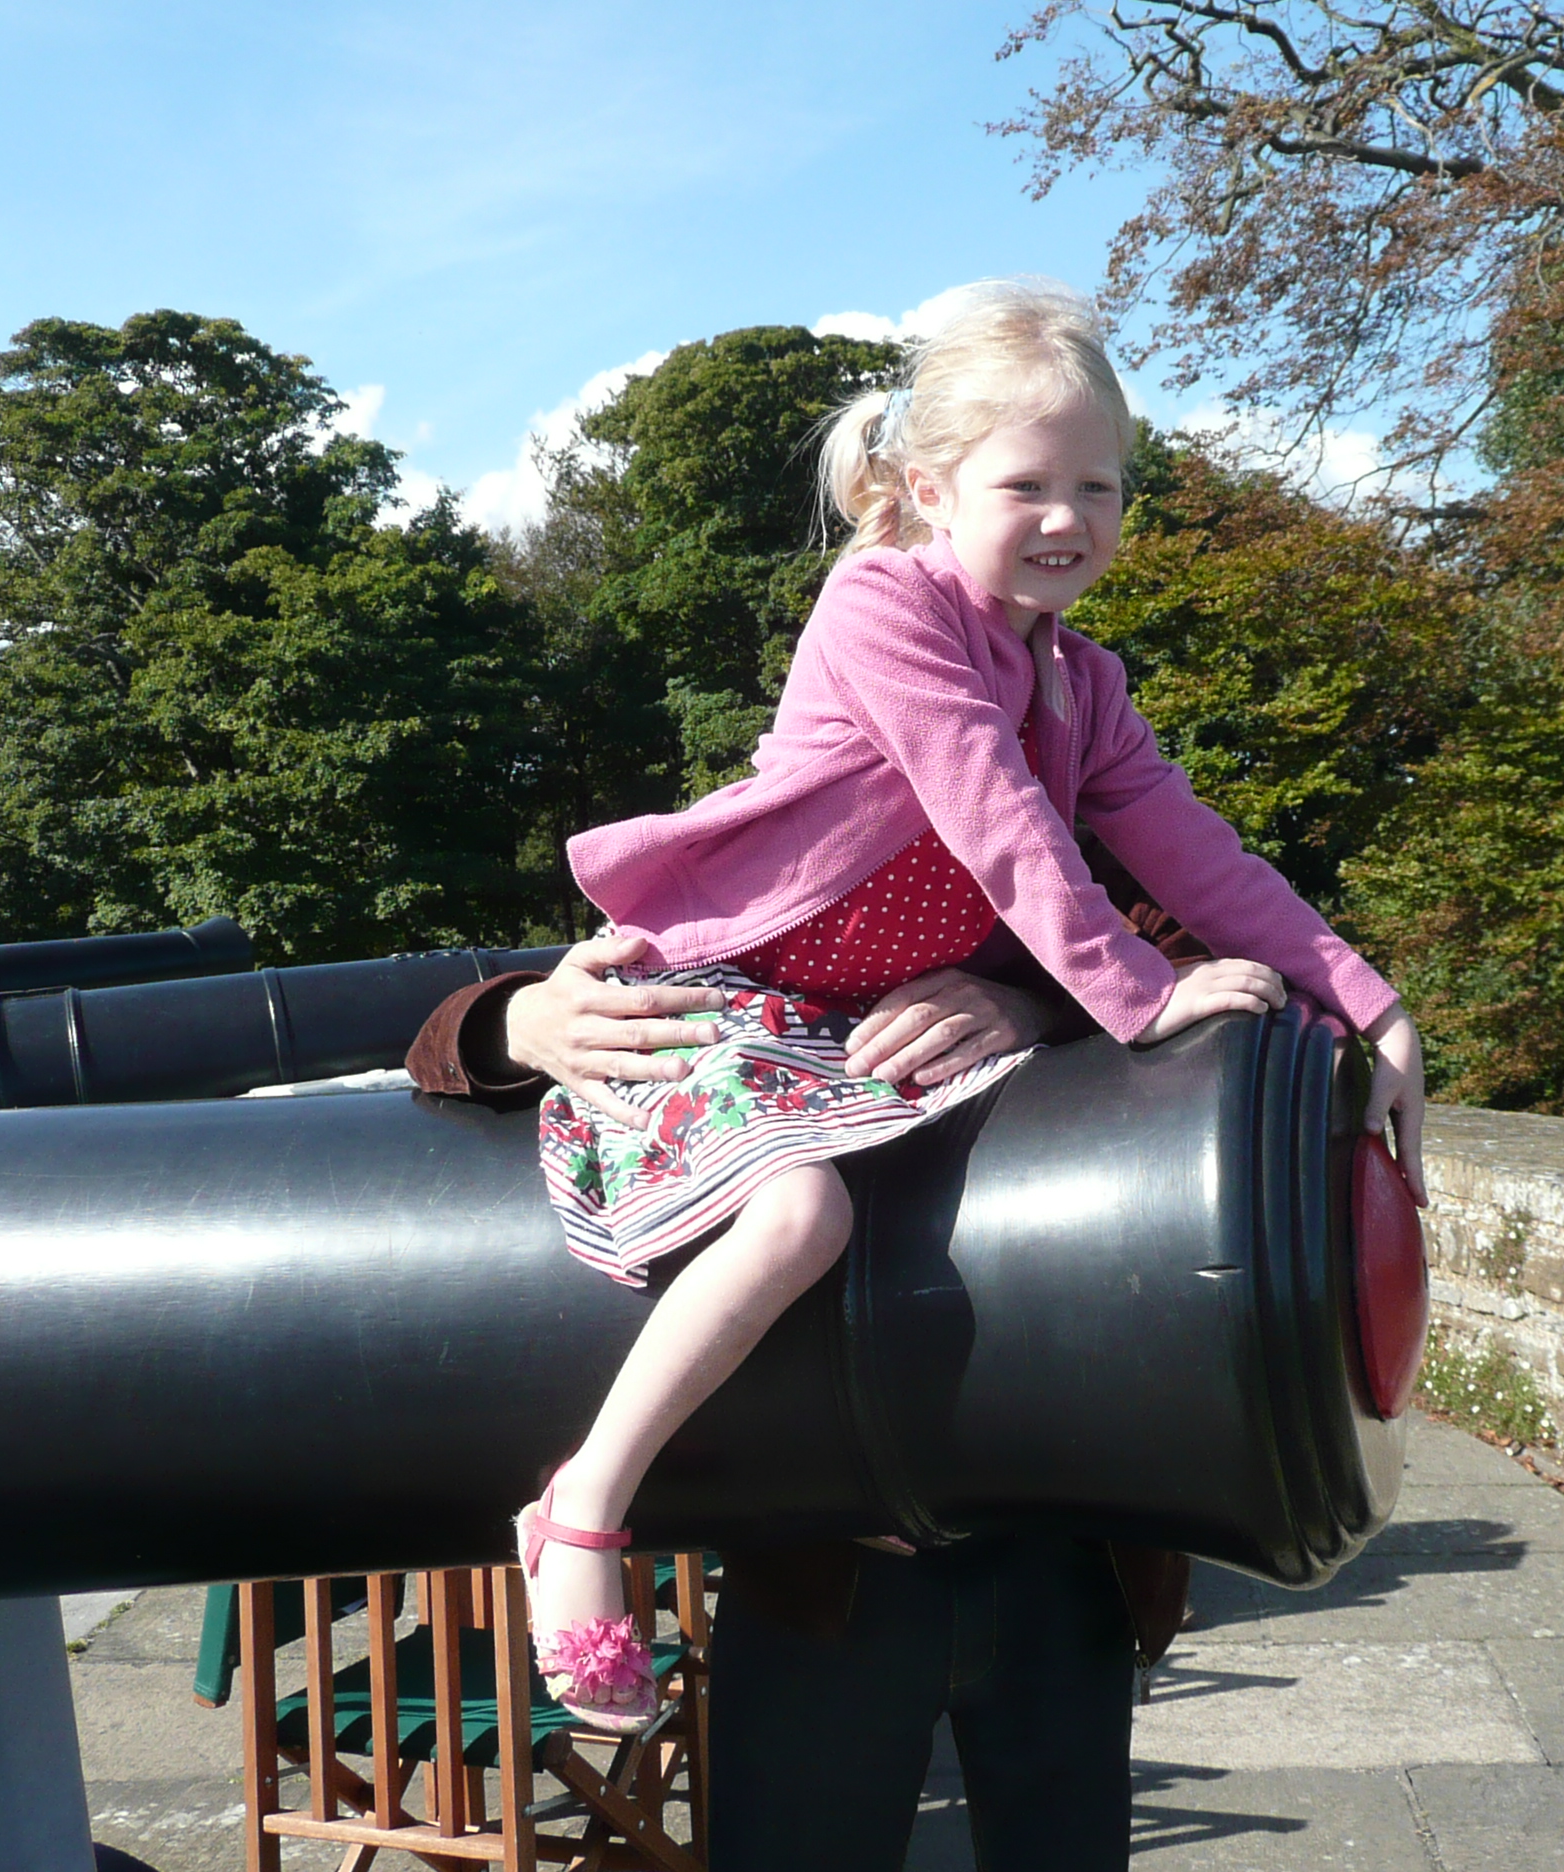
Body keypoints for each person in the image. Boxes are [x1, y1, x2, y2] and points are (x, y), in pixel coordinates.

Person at [498, 279, 1429, 1756]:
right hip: (723, 990)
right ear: (929, 490)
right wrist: (1138, 996)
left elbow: (1197, 854)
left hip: (843, 1022)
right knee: (799, 1217)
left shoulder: (1083, 683)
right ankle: (583, 1509)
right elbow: (997, 821)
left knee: (886, 1215)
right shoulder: (888, 606)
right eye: (1027, 485)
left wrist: (1371, 1006)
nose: (1068, 517)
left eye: (1099, 487)